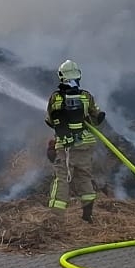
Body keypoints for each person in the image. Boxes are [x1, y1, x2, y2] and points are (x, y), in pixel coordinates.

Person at [45, 59, 107, 223]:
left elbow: (50, 120)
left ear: (61, 77)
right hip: (85, 144)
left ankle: (55, 218)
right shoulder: (86, 97)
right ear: (78, 76)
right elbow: (97, 118)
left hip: (65, 146)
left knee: (62, 179)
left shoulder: (56, 98)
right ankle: (88, 215)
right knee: (84, 177)